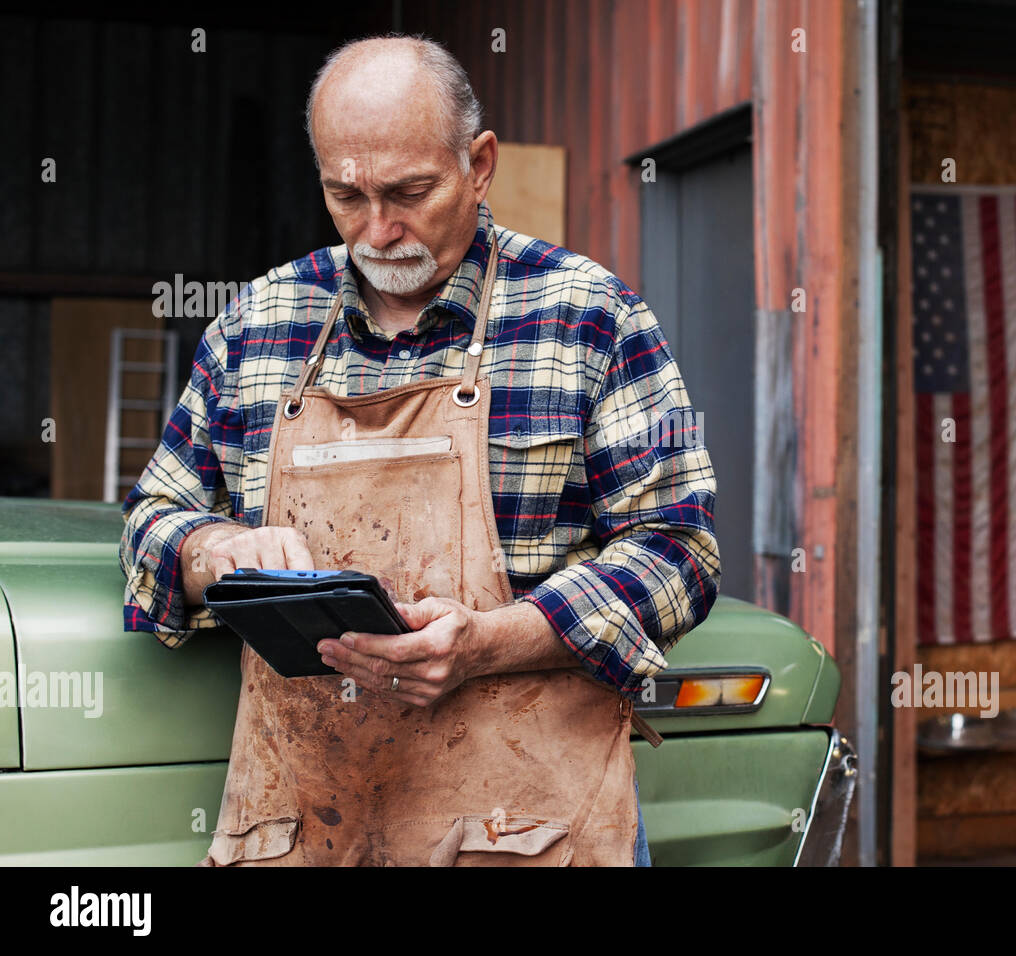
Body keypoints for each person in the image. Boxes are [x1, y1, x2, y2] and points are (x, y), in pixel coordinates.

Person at [119, 34, 720, 867]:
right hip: (306, 829)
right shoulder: (256, 325)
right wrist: (216, 548)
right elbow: (150, 523)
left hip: (528, 831)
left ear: (479, 164)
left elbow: (679, 552)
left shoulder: (589, 316)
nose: (379, 230)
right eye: (346, 195)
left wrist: (491, 641)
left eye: (410, 192)